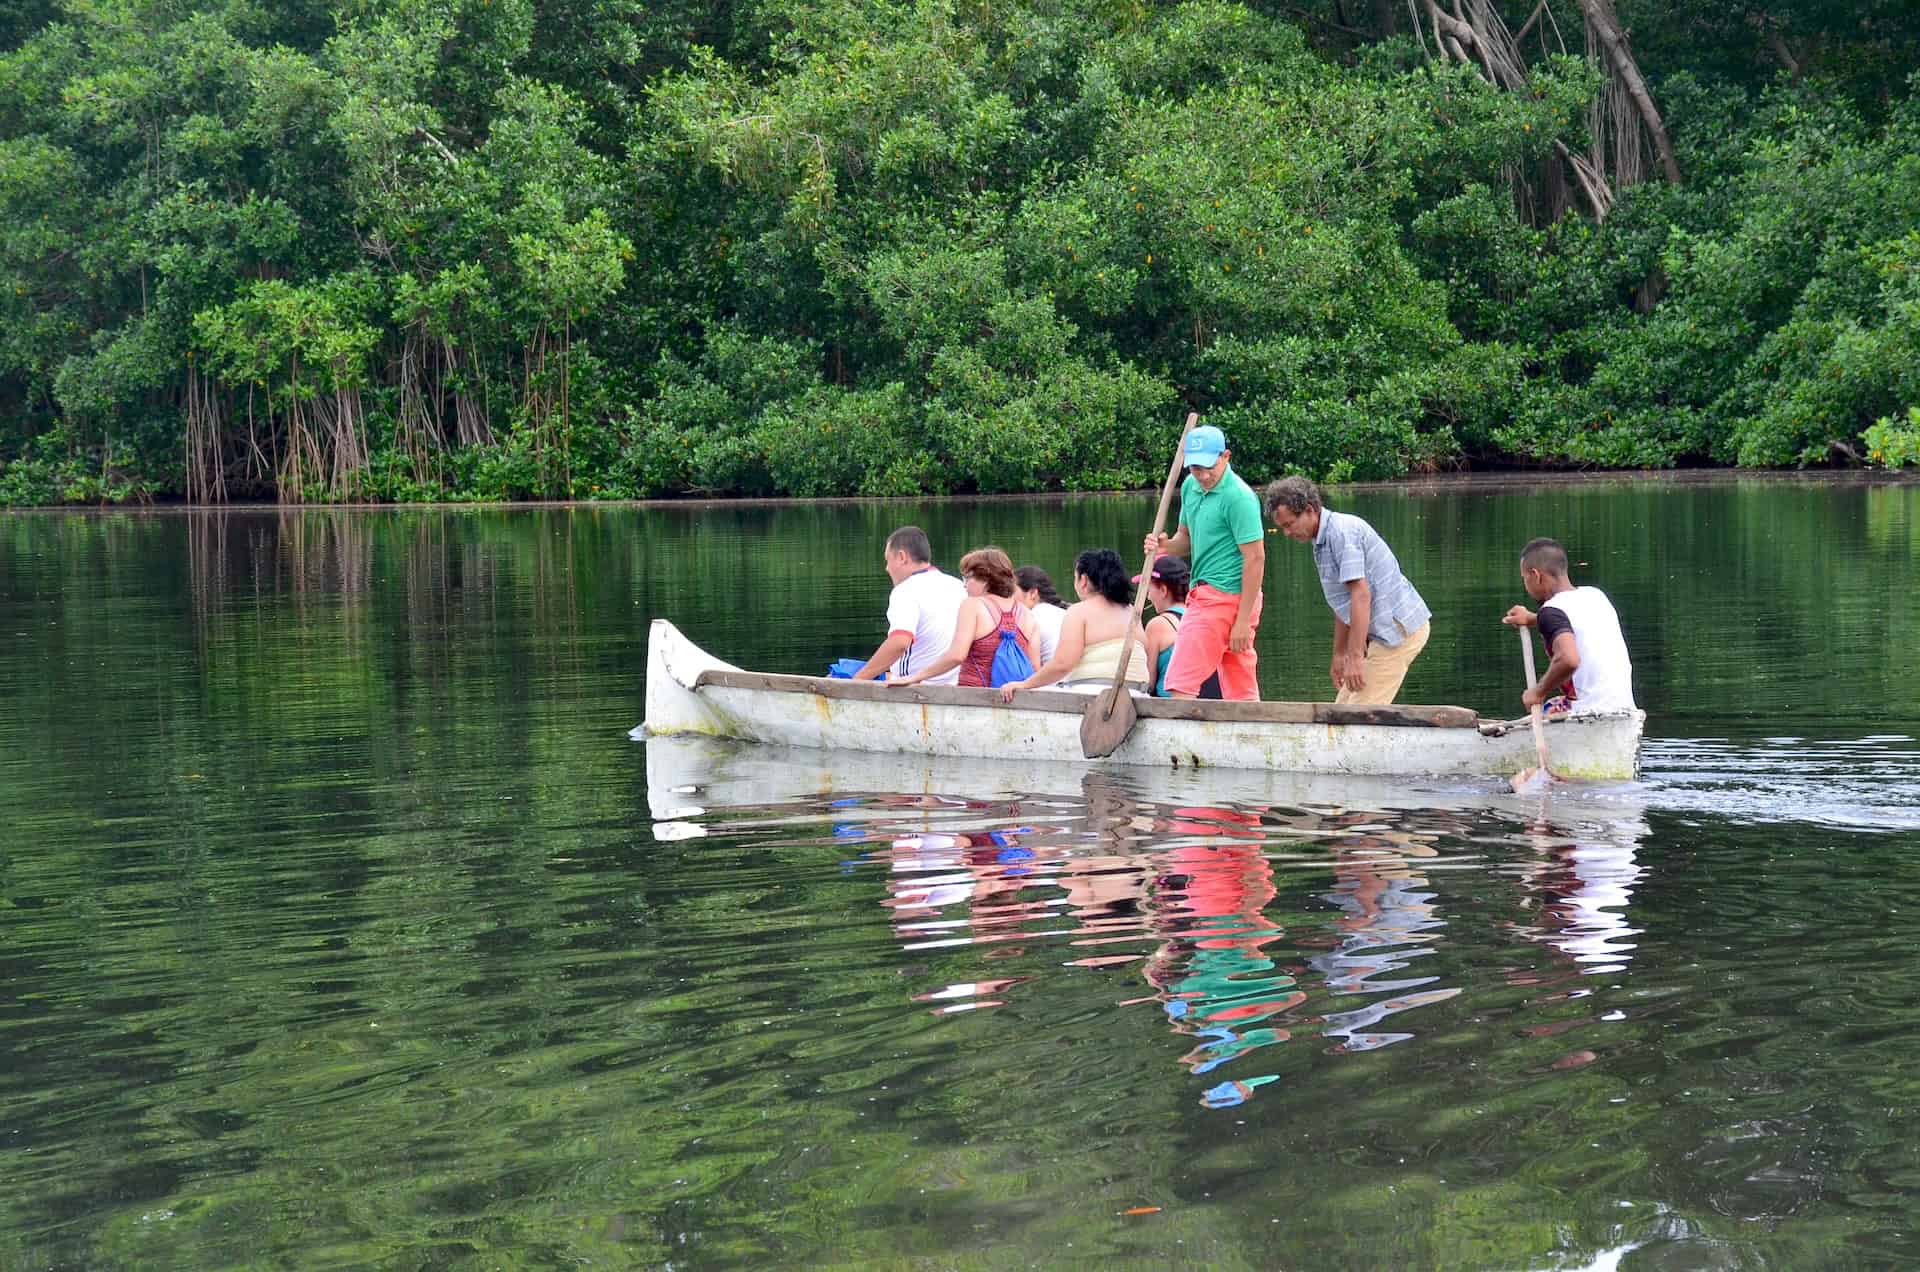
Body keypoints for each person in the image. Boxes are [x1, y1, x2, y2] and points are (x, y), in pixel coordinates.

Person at [1264, 476, 1432, 706]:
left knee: (1357, 716)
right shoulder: (1322, 539)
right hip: (1380, 634)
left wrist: (1355, 657)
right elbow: (1343, 602)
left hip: (1399, 632)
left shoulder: (1341, 533)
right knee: (1341, 709)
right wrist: (1339, 654)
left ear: (1310, 510)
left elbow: (1361, 595)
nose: (1287, 533)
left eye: (1289, 524)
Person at [1142, 425, 1265, 700]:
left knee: (1179, 681)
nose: (1204, 475)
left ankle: (1179, 739)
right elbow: (1185, 539)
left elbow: (1256, 558)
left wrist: (1242, 621)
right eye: (1196, 468)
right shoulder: (1190, 487)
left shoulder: (1239, 498)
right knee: (1238, 685)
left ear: (1226, 456)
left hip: (1225, 596)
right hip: (1207, 594)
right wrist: (1163, 546)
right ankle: (1247, 736)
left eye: (1209, 466)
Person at [1501, 537, 1636, 715]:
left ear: (1536, 575)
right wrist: (1530, 618)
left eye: (1525, 578)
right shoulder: (1595, 595)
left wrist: (1537, 692)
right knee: (1555, 704)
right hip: (1624, 709)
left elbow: (1568, 659)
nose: (1526, 584)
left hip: (1590, 711)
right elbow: (1572, 619)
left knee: (1547, 708)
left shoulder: (1551, 611)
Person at [997, 548, 1150, 699]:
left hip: (1096, 693)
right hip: (1138, 693)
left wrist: (1024, 684)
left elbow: (1063, 664)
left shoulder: (1079, 611)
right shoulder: (1131, 611)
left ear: (1083, 580)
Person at [888, 546, 1041, 688]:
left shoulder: (973, 606)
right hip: (1012, 699)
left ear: (986, 580)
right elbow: (1035, 668)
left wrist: (916, 677)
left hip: (975, 699)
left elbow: (957, 655)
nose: (964, 585)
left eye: (967, 578)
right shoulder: (1028, 615)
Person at [851, 525, 966, 685]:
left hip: (916, 688)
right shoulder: (958, 586)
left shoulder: (906, 590)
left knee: (843, 673)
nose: (887, 568)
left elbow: (899, 643)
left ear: (902, 557)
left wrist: (857, 680)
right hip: (956, 684)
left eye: (887, 560)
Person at [1137, 554, 1223, 699]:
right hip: (1210, 701)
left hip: (1172, 706)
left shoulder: (1158, 625)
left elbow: (1148, 683)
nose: (1148, 597)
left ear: (1163, 590)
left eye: (1150, 590)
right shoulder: (1204, 618)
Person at [1013, 565, 1068, 667]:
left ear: (1033, 593)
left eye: (1012, 592)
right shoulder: (1066, 613)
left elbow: (1028, 667)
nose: (1009, 599)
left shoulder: (1031, 618)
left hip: (1052, 681)